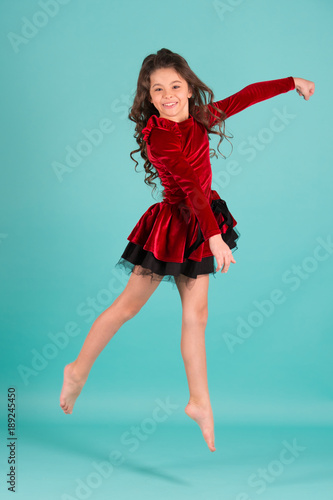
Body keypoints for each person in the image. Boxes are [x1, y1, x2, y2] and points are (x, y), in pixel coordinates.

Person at [60, 48, 315, 452]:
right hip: (174, 227)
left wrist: (291, 83)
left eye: (175, 86)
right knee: (127, 307)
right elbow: (191, 188)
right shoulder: (159, 136)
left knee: (197, 317)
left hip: (199, 222)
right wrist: (214, 236)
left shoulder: (201, 117)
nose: (167, 95)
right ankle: (76, 371)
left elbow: (244, 97)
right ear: (149, 96)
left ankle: (199, 401)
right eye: (157, 89)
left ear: (190, 89)